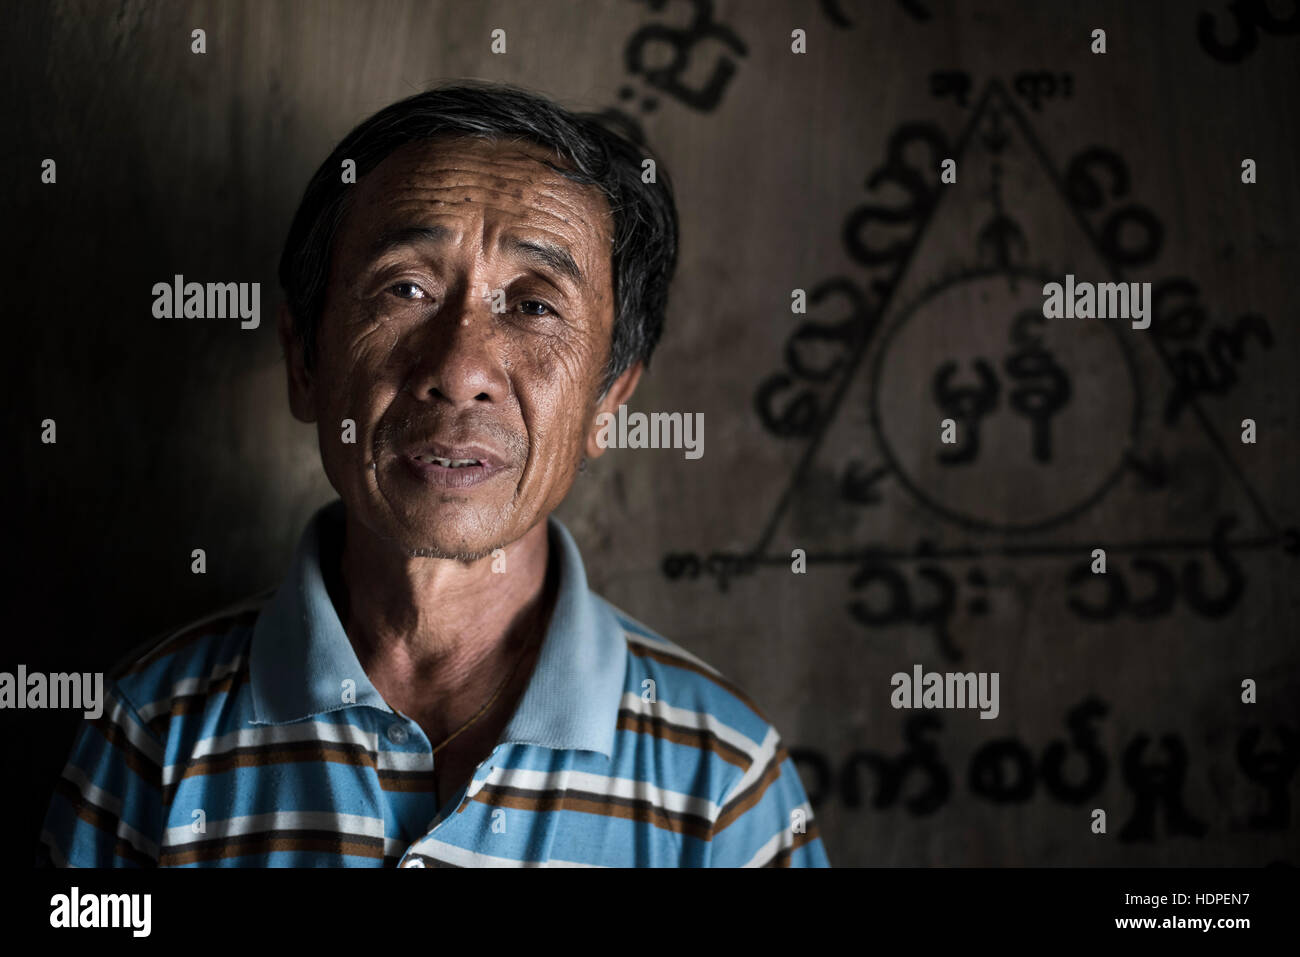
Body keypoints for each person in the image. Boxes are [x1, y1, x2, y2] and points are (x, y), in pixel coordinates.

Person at [39, 82, 829, 867]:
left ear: (608, 400)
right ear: (304, 359)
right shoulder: (149, 732)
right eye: (405, 288)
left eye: (534, 306)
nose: (460, 369)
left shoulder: (721, 785)